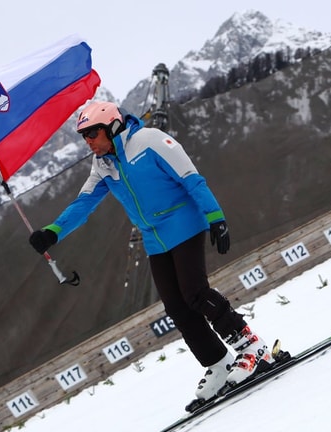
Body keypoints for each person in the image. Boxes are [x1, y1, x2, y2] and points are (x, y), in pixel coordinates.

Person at [28, 101, 270, 410]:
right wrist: (53, 231)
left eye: (92, 133)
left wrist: (216, 217)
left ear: (112, 127)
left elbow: (191, 178)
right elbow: (84, 203)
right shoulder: (103, 164)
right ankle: (220, 364)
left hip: (184, 222)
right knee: (177, 308)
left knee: (195, 293)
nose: (88, 141)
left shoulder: (150, 141)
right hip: (154, 239)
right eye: (83, 136)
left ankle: (252, 347)